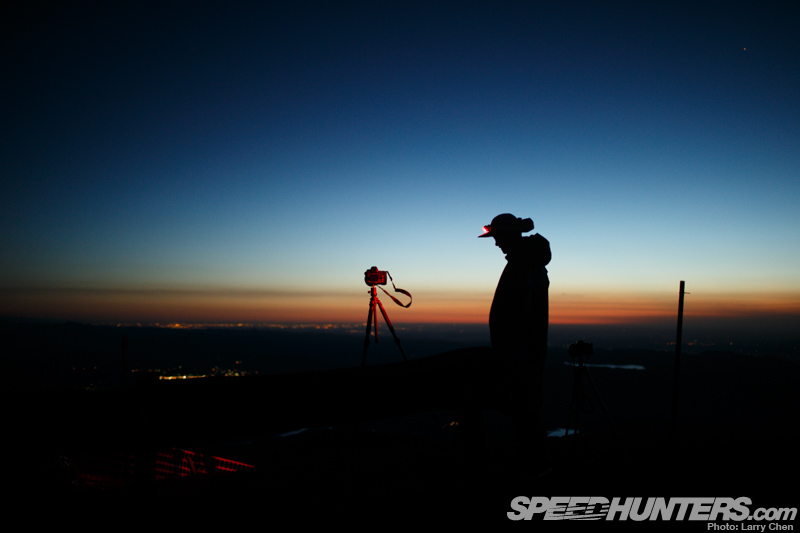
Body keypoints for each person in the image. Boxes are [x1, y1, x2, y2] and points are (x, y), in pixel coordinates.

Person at [479, 213, 551, 469]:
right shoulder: (527, 261)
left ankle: (533, 466)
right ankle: (534, 462)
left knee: (526, 408)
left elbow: (516, 314)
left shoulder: (522, 265)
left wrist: (510, 353)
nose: (496, 243)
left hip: (520, 355)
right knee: (528, 408)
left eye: (497, 237)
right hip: (526, 352)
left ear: (509, 234)